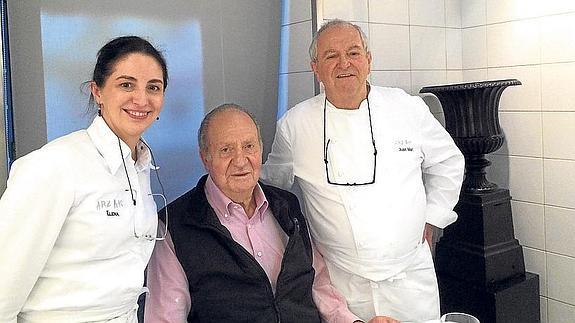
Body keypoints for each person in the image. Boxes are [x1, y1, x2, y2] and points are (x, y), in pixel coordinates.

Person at [261, 19, 465, 322]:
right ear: (315, 68)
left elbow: (448, 161)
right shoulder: (295, 124)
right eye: (331, 56)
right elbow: (273, 185)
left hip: (409, 279)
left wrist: (434, 217)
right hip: (342, 283)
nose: (344, 63)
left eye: (354, 53)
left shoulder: (407, 108)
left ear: (368, 61)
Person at [144, 104, 398, 323]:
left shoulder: (288, 206)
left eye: (249, 146)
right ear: (205, 158)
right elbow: (166, 316)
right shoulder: (174, 226)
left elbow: (318, 286)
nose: (241, 160)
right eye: (226, 150)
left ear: (260, 150)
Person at [0, 36, 169, 322]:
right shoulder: (54, 166)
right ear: (97, 92)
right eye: (126, 84)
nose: (141, 99)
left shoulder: (139, 165)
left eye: (153, 87)